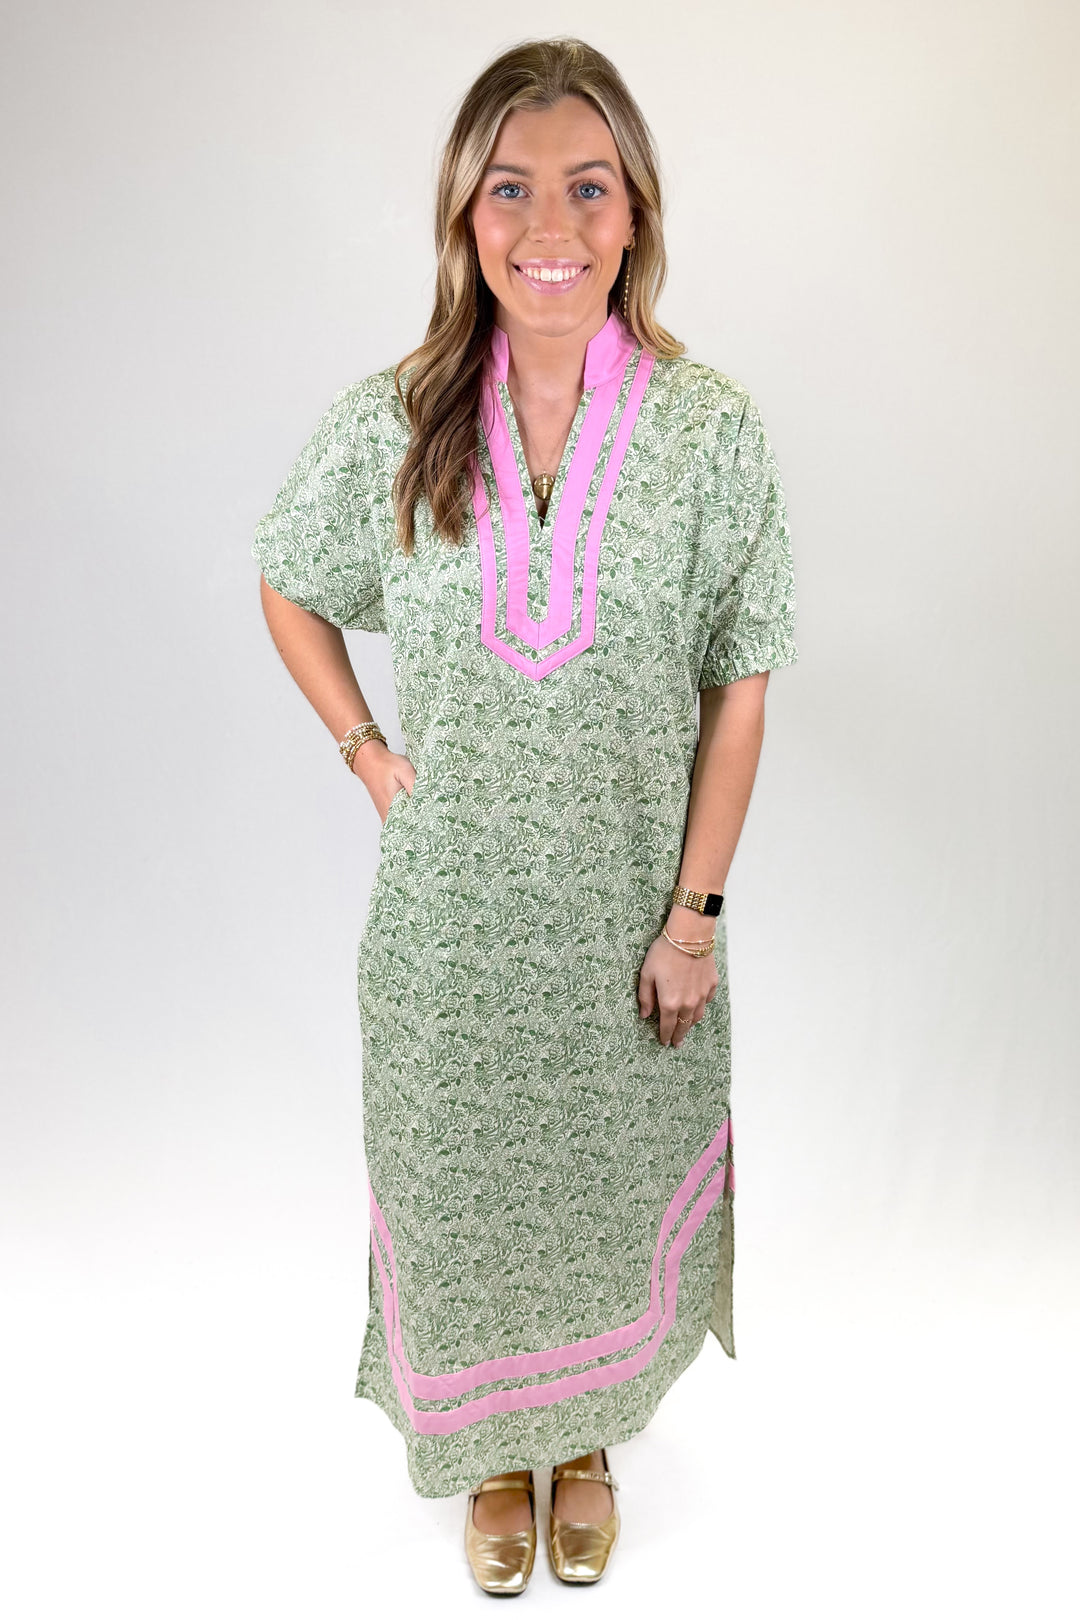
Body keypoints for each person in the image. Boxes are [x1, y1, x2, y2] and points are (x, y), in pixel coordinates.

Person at [252, 36, 798, 1595]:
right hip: (452, 936)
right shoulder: (398, 421)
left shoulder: (708, 434)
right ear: (463, 213)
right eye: (510, 188)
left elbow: (742, 680)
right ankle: (496, 1450)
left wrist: (694, 918)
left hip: (629, 928)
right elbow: (287, 576)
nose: (548, 224)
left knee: (602, 1194)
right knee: (469, 1196)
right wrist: (369, 752)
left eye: (586, 187)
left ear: (635, 215)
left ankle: (589, 1437)